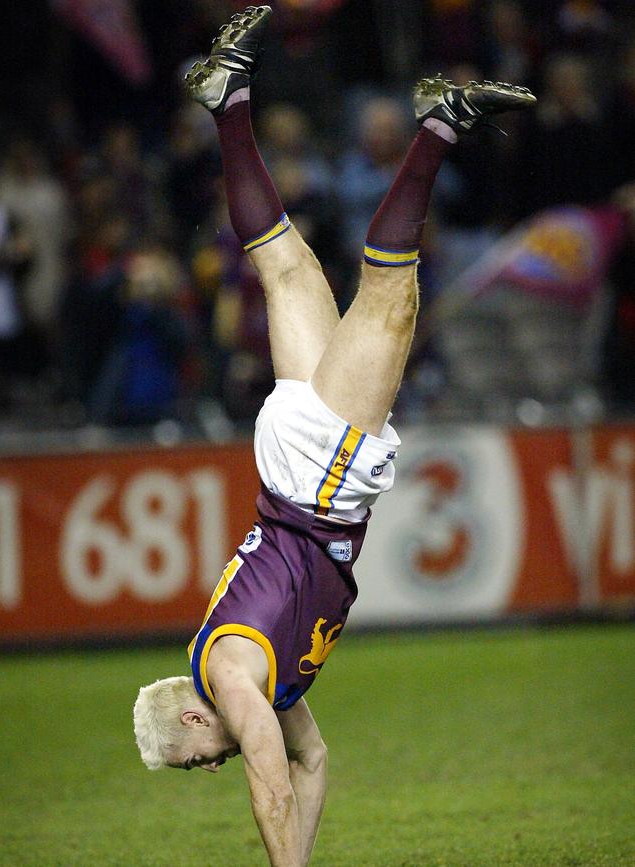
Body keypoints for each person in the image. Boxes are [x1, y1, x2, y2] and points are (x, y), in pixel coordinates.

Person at [133, 7, 535, 866]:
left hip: (315, 482)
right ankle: (227, 101)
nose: (213, 766)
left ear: (195, 717)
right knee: (287, 266)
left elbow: (271, 784)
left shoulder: (237, 685)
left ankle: (436, 125)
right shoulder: (250, 684)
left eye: (196, 759)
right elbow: (312, 762)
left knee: (391, 301)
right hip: (286, 473)